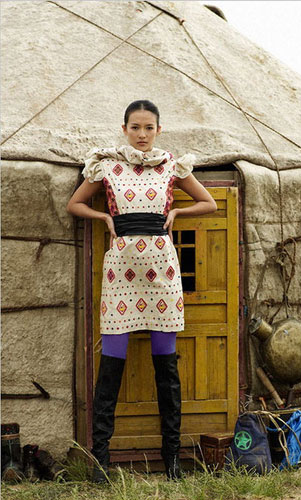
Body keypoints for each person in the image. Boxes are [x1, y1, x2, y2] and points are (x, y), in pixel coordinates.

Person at [66, 100, 217, 482]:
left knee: (165, 365)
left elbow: (209, 202)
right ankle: (100, 463)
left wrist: (178, 213)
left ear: (159, 130)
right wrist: (104, 216)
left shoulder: (171, 165)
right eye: (135, 127)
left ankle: (172, 461)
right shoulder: (107, 165)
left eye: (149, 127)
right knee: (111, 364)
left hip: (162, 272)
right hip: (121, 273)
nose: (142, 134)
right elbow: (75, 203)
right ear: (125, 128)